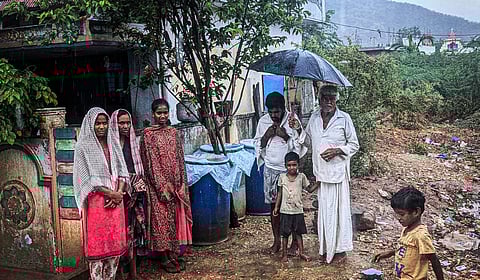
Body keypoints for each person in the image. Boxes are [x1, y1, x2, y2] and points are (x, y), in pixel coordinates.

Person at [293, 84, 359, 264]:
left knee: (338, 212)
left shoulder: (344, 118)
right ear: (319, 99)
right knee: (325, 214)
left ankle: (339, 252)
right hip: (321, 174)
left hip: (338, 174)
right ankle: (325, 249)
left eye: (332, 98)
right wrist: (298, 128)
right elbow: (306, 141)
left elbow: (354, 145)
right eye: (325, 98)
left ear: (336, 99)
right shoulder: (314, 117)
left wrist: (338, 150)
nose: (329, 101)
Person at [73, 107, 129, 280]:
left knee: (114, 249)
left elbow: (122, 171)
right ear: (90, 124)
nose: (102, 127)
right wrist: (110, 194)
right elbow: (85, 179)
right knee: (98, 248)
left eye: (104, 123)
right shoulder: (83, 147)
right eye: (98, 123)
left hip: (115, 202)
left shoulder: (113, 142)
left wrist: (118, 193)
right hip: (97, 203)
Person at [140, 98, 193, 273]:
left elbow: (180, 157)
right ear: (153, 114)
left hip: (175, 185)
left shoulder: (173, 132)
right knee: (160, 221)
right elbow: (150, 162)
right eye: (159, 113)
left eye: (165, 112)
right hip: (158, 187)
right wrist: (162, 186)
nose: (162, 116)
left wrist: (181, 182)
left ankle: (173, 254)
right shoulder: (148, 135)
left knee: (174, 220)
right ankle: (163, 257)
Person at [254, 92, 306, 254]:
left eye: (277, 112)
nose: (273, 115)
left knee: (292, 207)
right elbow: (258, 144)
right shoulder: (264, 121)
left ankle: (294, 243)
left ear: (283, 109)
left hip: (288, 172)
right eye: (271, 112)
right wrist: (267, 135)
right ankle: (277, 240)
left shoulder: (292, 120)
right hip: (270, 169)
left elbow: (300, 144)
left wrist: (286, 135)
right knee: (274, 208)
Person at [373, 187, 444, 280]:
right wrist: (391, 253)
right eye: (396, 214)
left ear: (416, 212)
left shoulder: (420, 236)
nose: (398, 218)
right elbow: (408, 250)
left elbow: (433, 259)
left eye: (402, 214)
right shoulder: (407, 229)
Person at [110, 109, 148, 279]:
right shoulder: (110, 146)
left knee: (133, 232)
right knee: (118, 233)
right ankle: (118, 273)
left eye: (127, 123)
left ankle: (133, 273)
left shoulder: (134, 142)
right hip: (118, 194)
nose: (125, 126)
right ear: (114, 124)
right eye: (121, 123)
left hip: (134, 193)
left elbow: (137, 168)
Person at [273, 152, 317, 262]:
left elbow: (309, 189)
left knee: (298, 233)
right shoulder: (282, 177)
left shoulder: (302, 177)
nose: (291, 167)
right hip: (285, 210)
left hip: (298, 210)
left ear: (298, 165)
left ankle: (301, 253)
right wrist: (276, 207)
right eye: (289, 165)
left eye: (294, 165)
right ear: (285, 166)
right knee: (285, 234)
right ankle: (284, 254)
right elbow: (280, 193)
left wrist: (320, 182)